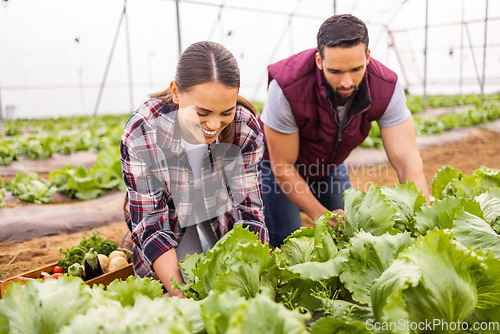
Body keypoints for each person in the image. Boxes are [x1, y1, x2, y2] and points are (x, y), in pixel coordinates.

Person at [259, 14, 429, 247]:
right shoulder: (287, 87)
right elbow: (283, 167)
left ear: (367, 57)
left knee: (350, 231)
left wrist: (420, 215)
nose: (347, 82)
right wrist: (320, 215)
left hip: (328, 165)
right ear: (319, 61)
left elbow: (407, 161)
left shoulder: (386, 87)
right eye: (336, 71)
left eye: (356, 69)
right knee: (287, 240)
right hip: (278, 167)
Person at [121, 41, 268, 297]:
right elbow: (152, 224)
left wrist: (253, 275)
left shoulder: (245, 128)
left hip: (218, 211)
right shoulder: (144, 130)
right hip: (169, 216)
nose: (213, 125)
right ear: (176, 92)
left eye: (226, 112)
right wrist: (182, 297)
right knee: (181, 287)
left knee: (225, 282)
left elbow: (249, 211)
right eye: (202, 112)